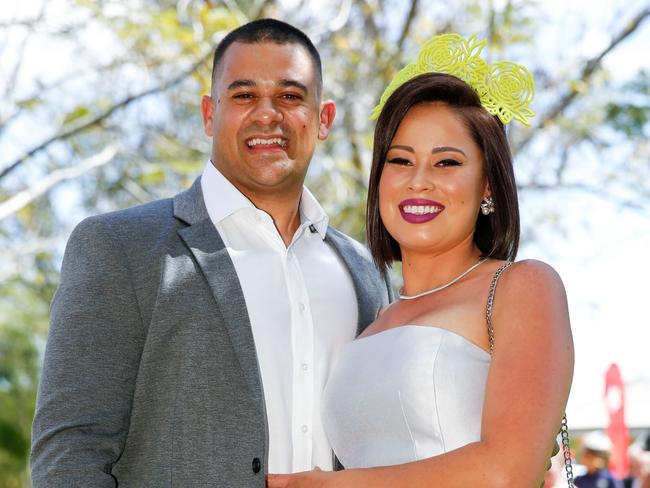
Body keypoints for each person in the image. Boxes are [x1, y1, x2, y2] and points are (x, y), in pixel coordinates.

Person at [30, 19, 392, 487]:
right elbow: (70, 451)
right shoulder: (120, 249)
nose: (268, 115)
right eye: (243, 96)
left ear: (322, 119)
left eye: (289, 96)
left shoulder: (365, 270)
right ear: (208, 114)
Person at [267, 34, 574, 488]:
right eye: (400, 160)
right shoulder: (371, 318)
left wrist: (325, 486)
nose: (419, 182)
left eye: (447, 162)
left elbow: (508, 472)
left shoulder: (520, 286)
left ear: (488, 184)